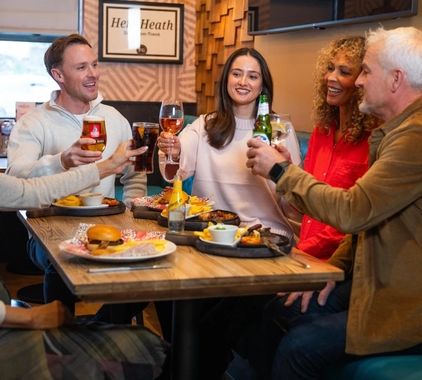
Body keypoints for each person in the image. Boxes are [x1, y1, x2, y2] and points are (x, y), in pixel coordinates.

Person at [245, 26, 422, 379]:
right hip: (374, 285)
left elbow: (353, 211)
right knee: (275, 311)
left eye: (366, 71)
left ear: (396, 79)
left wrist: (280, 171)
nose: (361, 82)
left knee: (298, 348)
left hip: (411, 308)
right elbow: (370, 220)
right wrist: (332, 274)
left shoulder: (420, 138)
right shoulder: (397, 130)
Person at [6, 33, 147, 321]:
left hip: (106, 225)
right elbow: (16, 179)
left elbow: (135, 176)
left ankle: (99, 332)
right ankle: (60, 335)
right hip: (49, 230)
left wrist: (131, 215)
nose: (93, 73)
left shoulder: (115, 119)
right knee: (61, 255)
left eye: (94, 65)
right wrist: (62, 160)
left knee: (146, 263)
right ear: (58, 74)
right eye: (81, 67)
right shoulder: (33, 123)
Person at [0, 143, 167, 379]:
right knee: (150, 348)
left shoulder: (114, 118)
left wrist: (106, 168)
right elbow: (29, 191)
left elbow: (31, 191)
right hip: (9, 334)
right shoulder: (34, 122)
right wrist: (29, 317)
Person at [157, 47, 302, 241]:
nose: (243, 82)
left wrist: (285, 173)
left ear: (262, 86)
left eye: (252, 76)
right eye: (236, 74)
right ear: (227, 80)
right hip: (211, 233)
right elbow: (175, 173)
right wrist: (171, 151)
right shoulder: (204, 125)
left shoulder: (279, 130)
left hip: (266, 235)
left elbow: (294, 205)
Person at [297, 36, 380, 260]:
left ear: (363, 82)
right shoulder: (321, 131)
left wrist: (298, 253)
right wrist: (284, 168)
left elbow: (354, 219)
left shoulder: (375, 139)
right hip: (303, 255)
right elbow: (307, 202)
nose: (330, 78)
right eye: (330, 68)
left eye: (344, 72)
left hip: (337, 264)